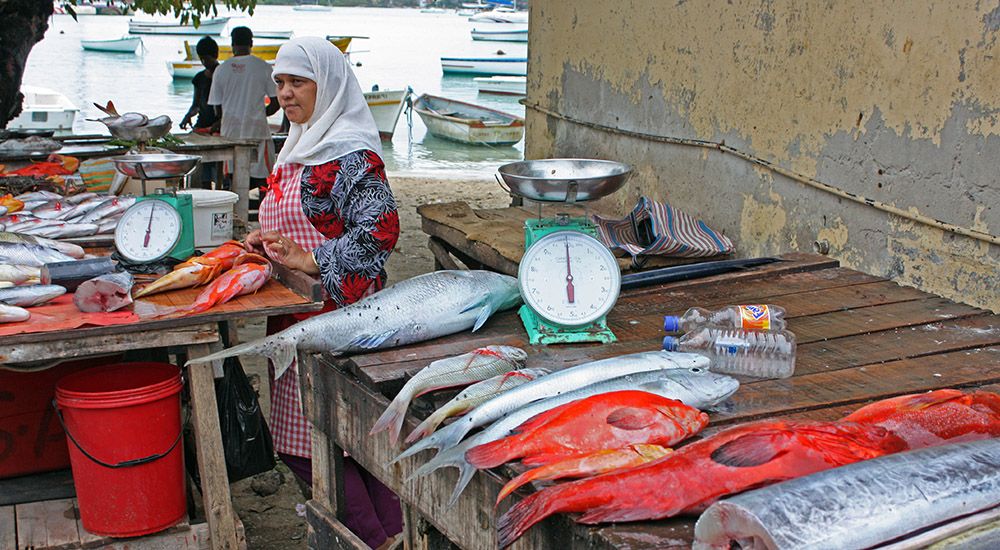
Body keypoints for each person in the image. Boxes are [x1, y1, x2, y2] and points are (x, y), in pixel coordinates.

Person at [243, 36, 402, 549]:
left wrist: (314, 260)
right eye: (280, 83)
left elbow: (381, 229)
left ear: (328, 85)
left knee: (326, 445)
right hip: (295, 321)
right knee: (332, 443)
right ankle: (396, 537)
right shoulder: (302, 143)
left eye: (297, 83)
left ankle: (381, 541)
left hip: (343, 323)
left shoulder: (349, 153)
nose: (285, 94)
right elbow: (295, 223)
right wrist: (264, 242)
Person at [208, 27, 280, 189]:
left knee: (232, 182)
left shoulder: (221, 70)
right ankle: (264, 214)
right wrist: (260, 114)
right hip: (257, 133)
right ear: (251, 43)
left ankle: (233, 214)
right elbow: (276, 103)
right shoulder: (264, 68)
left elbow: (217, 109)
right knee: (264, 182)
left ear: (232, 44)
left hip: (230, 136)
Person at [180, 36, 221, 186]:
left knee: (217, 170)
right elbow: (196, 104)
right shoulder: (199, 78)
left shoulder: (223, 75)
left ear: (215, 56)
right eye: (202, 59)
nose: (204, 62)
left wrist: (219, 122)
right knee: (200, 168)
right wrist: (187, 116)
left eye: (207, 59)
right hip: (202, 126)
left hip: (219, 128)